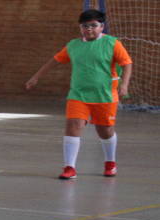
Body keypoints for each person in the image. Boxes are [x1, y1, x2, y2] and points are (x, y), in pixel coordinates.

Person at [25, 9, 132, 180]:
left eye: (93, 26)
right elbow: (54, 60)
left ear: (101, 27)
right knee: (72, 126)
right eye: (85, 26)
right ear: (80, 27)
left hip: (104, 96)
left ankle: (110, 163)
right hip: (78, 95)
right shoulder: (73, 45)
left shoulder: (112, 43)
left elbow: (126, 63)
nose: (89, 29)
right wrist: (36, 77)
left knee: (105, 130)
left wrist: (124, 84)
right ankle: (70, 167)